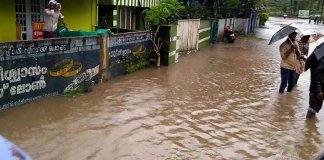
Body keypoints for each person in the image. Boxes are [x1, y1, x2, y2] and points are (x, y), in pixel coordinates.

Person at [304, 46, 324, 118]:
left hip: (320, 87)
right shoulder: (320, 56)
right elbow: (317, 74)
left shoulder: (320, 52)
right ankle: (309, 126)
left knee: (316, 108)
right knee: (312, 108)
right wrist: (319, 91)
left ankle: (311, 125)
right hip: (317, 88)